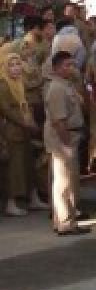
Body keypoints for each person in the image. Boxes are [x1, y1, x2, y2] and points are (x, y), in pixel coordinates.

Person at [43, 51, 88, 235]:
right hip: (63, 138)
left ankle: (68, 219)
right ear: (56, 68)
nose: (71, 68)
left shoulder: (67, 85)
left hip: (71, 136)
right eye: (66, 65)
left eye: (72, 64)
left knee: (69, 181)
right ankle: (64, 222)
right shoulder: (57, 88)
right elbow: (59, 122)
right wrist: (67, 145)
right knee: (63, 182)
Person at [1, 46, 46, 216]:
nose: (16, 68)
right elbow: (7, 110)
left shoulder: (20, 83)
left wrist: (31, 122)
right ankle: (12, 202)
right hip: (12, 132)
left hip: (25, 130)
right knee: (14, 169)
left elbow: (26, 104)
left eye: (18, 64)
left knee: (28, 166)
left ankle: (32, 198)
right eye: (11, 65)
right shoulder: (3, 85)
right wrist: (25, 123)